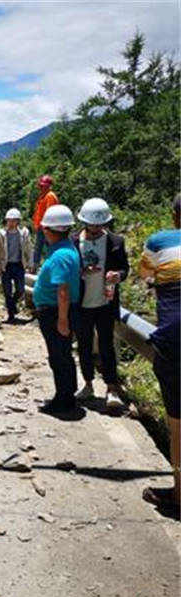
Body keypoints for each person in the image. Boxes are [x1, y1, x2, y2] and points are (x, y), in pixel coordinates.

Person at [139, 194, 181, 515]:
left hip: (174, 340)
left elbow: (146, 275)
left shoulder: (158, 241)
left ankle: (179, 495)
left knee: (178, 421)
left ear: (174, 215)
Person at [71, 198, 129, 411]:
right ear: (84, 222)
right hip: (82, 303)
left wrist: (118, 276)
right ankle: (87, 384)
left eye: (99, 224)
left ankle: (111, 388)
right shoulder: (73, 241)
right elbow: (68, 269)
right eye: (92, 224)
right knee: (84, 345)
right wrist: (81, 272)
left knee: (107, 346)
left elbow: (124, 268)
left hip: (106, 302)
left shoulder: (115, 241)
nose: (95, 228)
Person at [32, 204, 81, 415]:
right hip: (57, 310)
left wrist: (62, 320)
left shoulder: (60, 255)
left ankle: (64, 399)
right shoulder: (67, 248)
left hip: (55, 311)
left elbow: (63, 290)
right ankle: (68, 393)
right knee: (63, 354)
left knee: (58, 356)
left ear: (50, 230)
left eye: (44, 228)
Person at [0, 208, 33, 323]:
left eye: (13, 220)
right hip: (6, 265)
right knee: (7, 292)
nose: (11, 222)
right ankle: (11, 315)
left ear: (18, 221)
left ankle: (12, 304)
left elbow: (29, 249)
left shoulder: (24, 233)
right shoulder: (1, 234)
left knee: (20, 290)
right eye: (9, 220)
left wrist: (30, 263)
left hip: (19, 264)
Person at [31, 174, 60, 269]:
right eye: (41, 186)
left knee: (48, 247)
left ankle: (50, 266)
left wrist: (46, 226)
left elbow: (50, 212)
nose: (41, 188)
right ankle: (36, 265)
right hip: (41, 226)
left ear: (49, 186)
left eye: (43, 186)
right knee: (39, 246)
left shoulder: (50, 196)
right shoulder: (43, 196)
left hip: (47, 226)